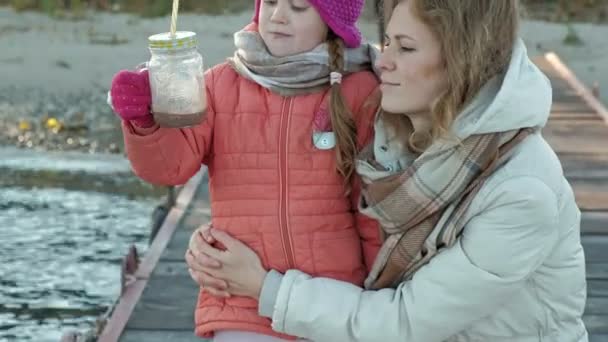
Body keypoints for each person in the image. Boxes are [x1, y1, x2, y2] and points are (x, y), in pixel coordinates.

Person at [185, 0, 589, 341]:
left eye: (406, 48)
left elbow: (404, 322)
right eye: (387, 42)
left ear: (461, 62)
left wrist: (261, 286)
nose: (384, 62)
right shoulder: (409, 140)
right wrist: (217, 249)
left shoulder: (521, 192)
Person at [108, 0, 383, 340]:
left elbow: (372, 206)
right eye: (269, 2)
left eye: (298, 7)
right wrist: (145, 122)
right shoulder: (220, 85)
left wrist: (378, 290)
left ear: (333, 22)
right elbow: (170, 168)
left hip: (332, 297)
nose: (278, 15)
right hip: (238, 302)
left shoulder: (360, 91)